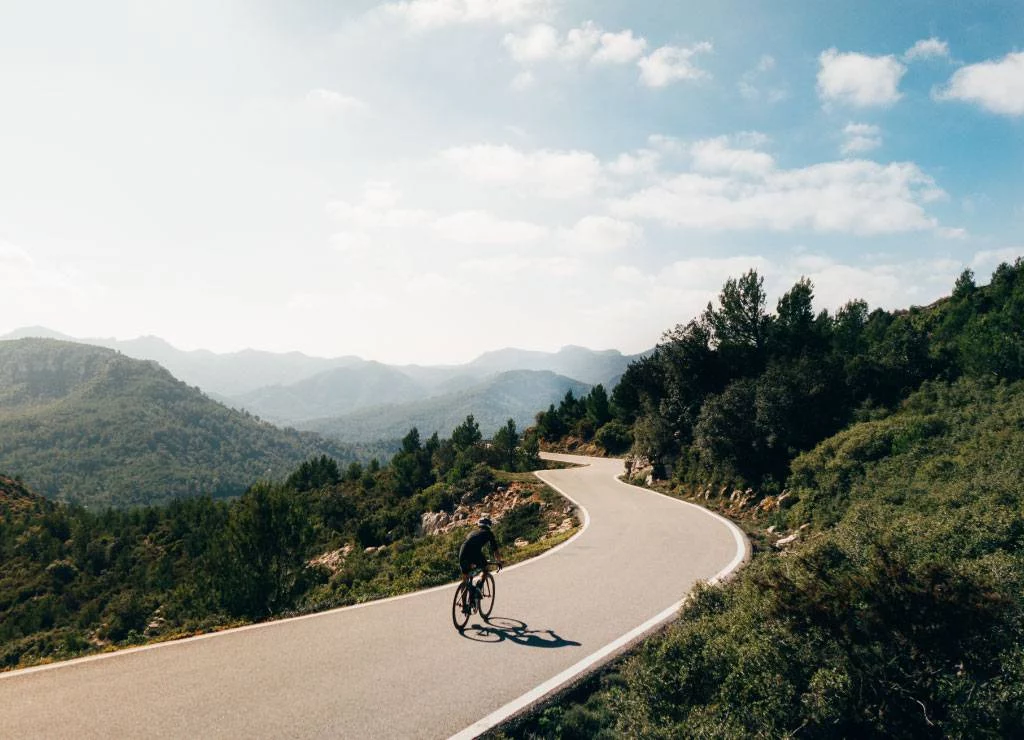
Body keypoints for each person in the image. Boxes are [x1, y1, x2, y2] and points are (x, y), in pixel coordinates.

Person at [459, 516, 503, 602]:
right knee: (485, 568)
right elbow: (495, 550)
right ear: (489, 526)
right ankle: (478, 588)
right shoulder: (489, 533)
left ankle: (464, 606)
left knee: (465, 578)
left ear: (479, 525)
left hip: (462, 552)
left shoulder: (472, 533)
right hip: (474, 553)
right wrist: (499, 561)